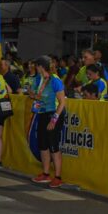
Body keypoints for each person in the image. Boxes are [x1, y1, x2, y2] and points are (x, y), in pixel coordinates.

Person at [29, 55, 66, 188]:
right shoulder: (41, 79)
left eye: (36, 66)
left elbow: (62, 102)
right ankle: (45, 173)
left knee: (53, 145)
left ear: (41, 67)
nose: (35, 68)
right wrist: (33, 95)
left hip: (54, 114)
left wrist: (54, 120)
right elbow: (40, 96)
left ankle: (58, 176)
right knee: (42, 144)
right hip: (43, 113)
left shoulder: (55, 80)